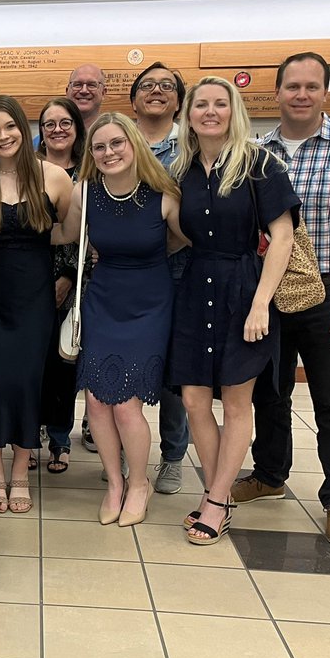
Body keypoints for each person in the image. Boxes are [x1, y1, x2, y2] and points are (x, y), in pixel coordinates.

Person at [238, 52, 330, 547]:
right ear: (277, 93)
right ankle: (269, 474)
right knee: (269, 392)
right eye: (292, 86)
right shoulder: (256, 153)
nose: (301, 95)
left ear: (324, 92)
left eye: (311, 86)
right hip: (270, 293)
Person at [169, 77, 299, 545]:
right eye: (200, 104)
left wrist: (261, 302)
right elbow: (178, 232)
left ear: (234, 110)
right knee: (193, 401)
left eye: (220, 103)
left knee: (237, 401)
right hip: (194, 287)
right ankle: (214, 492)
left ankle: (218, 501)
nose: (210, 111)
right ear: (188, 114)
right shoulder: (182, 167)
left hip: (244, 289)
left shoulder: (260, 165)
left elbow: (281, 237)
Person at [60, 113, 186, 525]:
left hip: (149, 305)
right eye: (99, 147)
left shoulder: (163, 194)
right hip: (102, 300)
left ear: (133, 145)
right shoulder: (87, 193)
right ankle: (114, 483)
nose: (108, 152)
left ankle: (139, 483)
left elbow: (183, 239)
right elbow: (67, 235)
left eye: (116, 143)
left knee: (127, 404)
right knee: (96, 401)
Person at [0, 96, 72, 514]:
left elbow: (67, 232)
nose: (2, 136)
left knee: (27, 383)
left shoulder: (55, 177)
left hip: (34, 298)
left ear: (24, 130)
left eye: (9, 127)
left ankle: (21, 472)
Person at [130, 63, 192, 495]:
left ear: (178, 99)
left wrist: (158, 250)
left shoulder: (190, 146)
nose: (156, 91)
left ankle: (172, 457)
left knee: (173, 370)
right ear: (134, 98)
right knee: (122, 366)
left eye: (166, 86)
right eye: (147, 85)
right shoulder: (118, 139)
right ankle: (125, 455)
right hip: (120, 273)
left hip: (177, 271)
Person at [35, 97, 87, 473]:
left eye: (65, 122)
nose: (57, 130)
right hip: (31, 276)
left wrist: (68, 275)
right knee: (34, 362)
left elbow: (84, 233)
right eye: (49, 123)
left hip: (78, 281)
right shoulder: (28, 170)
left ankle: (59, 437)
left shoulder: (90, 170)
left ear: (77, 128)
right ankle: (31, 433)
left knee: (64, 362)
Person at [66, 63, 107, 131]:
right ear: (67, 91)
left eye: (91, 85)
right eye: (78, 85)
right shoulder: (52, 133)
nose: (84, 91)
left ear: (103, 92)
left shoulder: (114, 133)